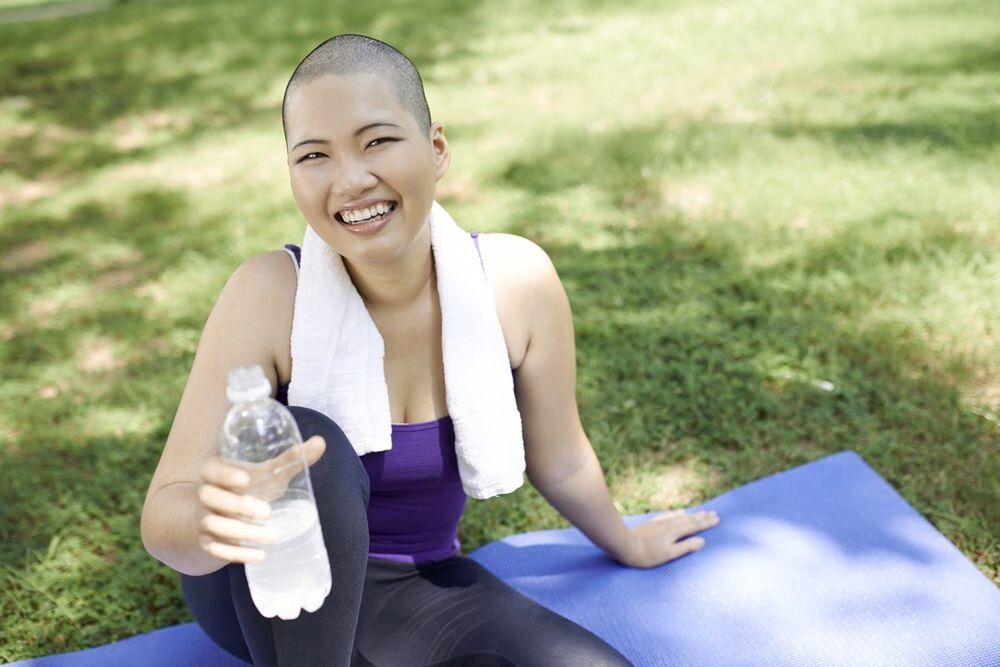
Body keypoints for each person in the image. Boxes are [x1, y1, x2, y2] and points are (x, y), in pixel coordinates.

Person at [140, 33, 720, 667]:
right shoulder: (269, 292)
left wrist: (630, 545)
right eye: (314, 155)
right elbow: (165, 512)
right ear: (292, 174)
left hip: (413, 582)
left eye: (377, 141)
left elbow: (561, 460)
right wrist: (208, 523)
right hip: (270, 583)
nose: (350, 180)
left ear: (437, 149)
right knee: (311, 445)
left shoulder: (515, 282)